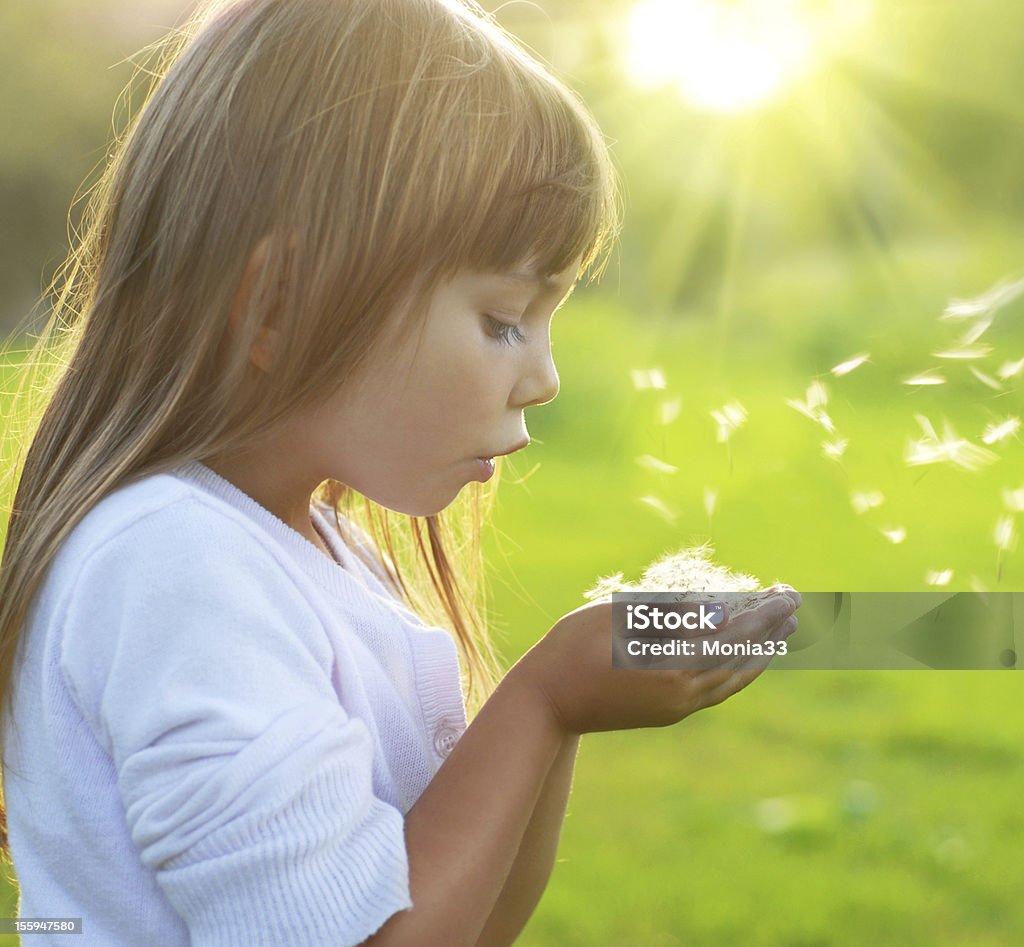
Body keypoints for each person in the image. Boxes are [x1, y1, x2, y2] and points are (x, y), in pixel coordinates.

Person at [0, 0, 802, 943]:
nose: (543, 378)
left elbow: (473, 921)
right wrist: (546, 696)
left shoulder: (321, 548)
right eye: (504, 318)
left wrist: (570, 710)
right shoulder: (174, 570)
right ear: (280, 306)